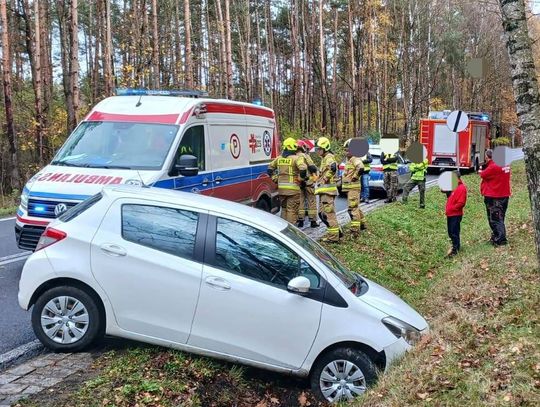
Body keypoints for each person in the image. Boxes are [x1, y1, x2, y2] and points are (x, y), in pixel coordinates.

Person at [267, 138, 307, 224]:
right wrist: (301, 180)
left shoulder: (279, 158)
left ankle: (283, 229)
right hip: (293, 190)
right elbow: (303, 169)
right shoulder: (297, 158)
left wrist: (275, 179)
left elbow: (269, 169)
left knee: (284, 209)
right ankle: (290, 232)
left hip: (281, 190)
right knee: (292, 210)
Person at [479, 149, 511, 246]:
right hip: (504, 195)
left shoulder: (493, 167)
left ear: (488, 157)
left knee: (495, 218)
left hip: (494, 196)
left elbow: (482, 174)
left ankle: (500, 239)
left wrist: (481, 169)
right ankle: (497, 235)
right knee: (500, 217)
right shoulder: (506, 165)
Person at [314, 137, 341, 242]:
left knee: (329, 214)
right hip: (323, 191)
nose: (318, 150)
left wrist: (326, 178)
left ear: (325, 148)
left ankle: (334, 237)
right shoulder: (324, 158)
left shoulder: (329, 157)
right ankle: (337, 232)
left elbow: (333, 168)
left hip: (328, 191)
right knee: (322, 214)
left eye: (320, 149)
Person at [342, 139, 366, 235]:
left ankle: (355, 230)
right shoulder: (350, 160)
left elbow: (361, 167)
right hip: (350, 188)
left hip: (353, 188)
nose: (345, 152)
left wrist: (355, 177)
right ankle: (363, 223)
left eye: (347, 150)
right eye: (345, 150)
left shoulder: (355, 158)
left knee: (353, 208)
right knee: (355, 206)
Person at [296, 140, 319, 228]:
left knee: (300, 202)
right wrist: (314, 176)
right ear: (303, 147)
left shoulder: (293, 157)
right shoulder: (305, 156)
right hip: (308, 182)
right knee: (311, 201)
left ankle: (300, 220)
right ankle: (313, 221)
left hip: (298, 183)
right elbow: (312, 167)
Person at [445, 171, 467, 257]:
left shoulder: (461, 188)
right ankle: (454, 245)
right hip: (450, 213)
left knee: (454, 231)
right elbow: (444, 191)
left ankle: (455, 249)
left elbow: (461, 203)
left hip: (455, 214)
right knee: (450, 231)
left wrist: (453, 208)